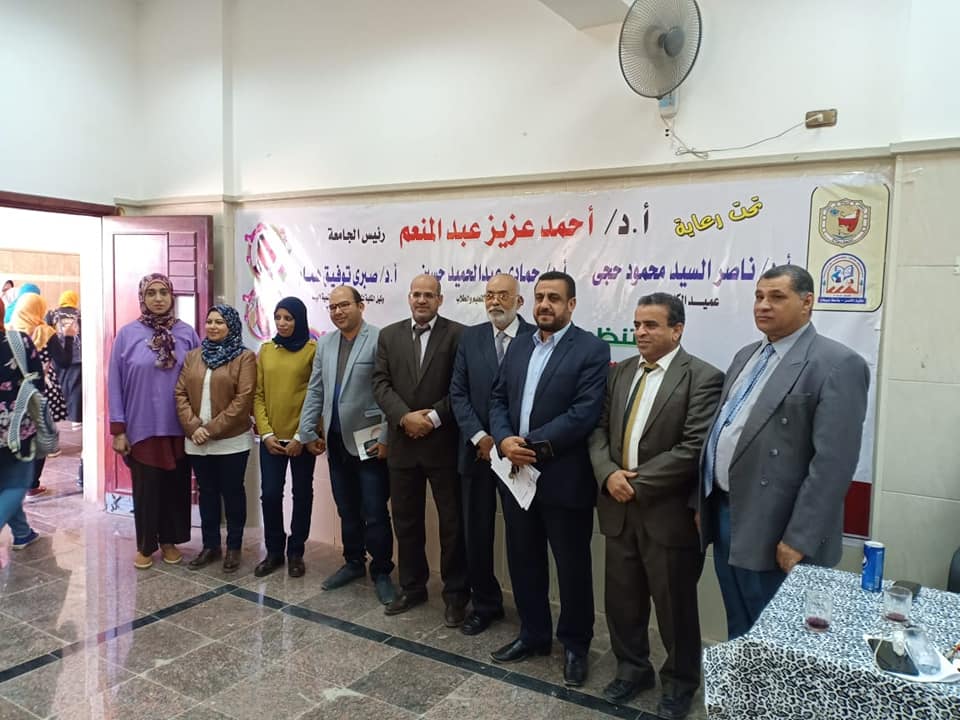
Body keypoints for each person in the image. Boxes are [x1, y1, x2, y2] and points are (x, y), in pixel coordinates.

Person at [696, 265, 870, 640]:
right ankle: (743, 680)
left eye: (777, 297)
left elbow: (833, 466)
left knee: (778, 637)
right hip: (726, 513)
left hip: (779, 528)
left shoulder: (837, 363)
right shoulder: (746, 356)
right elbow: (725, 430)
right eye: (759, 296)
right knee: (738, 624)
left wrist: (799, 539)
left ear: (807, 303)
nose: (763, 305)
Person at [588, 293, 722, 719]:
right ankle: (632, 670)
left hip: (667, 515)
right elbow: (598, 431)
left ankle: (680, 683)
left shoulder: (703, 377)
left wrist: (636, 484)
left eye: (651, 325)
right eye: (637, 325)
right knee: (622, 600)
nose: (640, 332)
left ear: (676, 330)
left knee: (674, 608)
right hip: (617, 507)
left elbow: (693, 447)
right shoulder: (621, 372)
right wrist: (608, 474)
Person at [488, 271, 610, 688]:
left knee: (572, 566)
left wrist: (530, 446)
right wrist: (504, 440)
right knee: (523, 559)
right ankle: (533, 634)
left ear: (571, 304)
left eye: (554, 298)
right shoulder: (521, 344)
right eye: (539, 297)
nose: (544, 304)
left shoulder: (592, 349)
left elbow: (584, 413)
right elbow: (498, 398)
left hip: (563, 478)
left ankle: (575, 645)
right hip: (516, 475)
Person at [372, 274, 468, 625]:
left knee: (452, 524)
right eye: (417, 294)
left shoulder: (459, 335)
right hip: (403, 445)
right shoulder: (389, 335)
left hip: (443, 445)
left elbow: (462, 387)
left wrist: (432, 418)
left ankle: (456, 595)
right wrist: (404, 417)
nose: (422, 300)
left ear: (440, 300)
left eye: (429, 295)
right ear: (409, 298)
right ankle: (413, 587)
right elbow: (380, 383)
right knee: (406, 521)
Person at [297, 286, 397, 605]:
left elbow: (389, 390)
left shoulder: (379, 339)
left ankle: (381, 570)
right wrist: (306, 430)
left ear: (360, 306)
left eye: (344, 305)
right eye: (332, 307)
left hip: (370, 441)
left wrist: (386, 436)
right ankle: (354, 561)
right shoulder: (325, 343)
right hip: (336, 440)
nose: (338, 312)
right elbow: (316, 390)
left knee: (375, 510)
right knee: (347, 507)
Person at [449, 273, 534, 635]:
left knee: (522, 539)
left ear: (519, 301)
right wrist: (481, 437)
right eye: (489, 295)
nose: (495, 301)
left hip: (519, 456)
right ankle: (485, 604)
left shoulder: (536, 338)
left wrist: (509, 442)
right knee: (477, 533)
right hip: (477, 454)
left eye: (503, 295)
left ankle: (531, 616)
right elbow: (458, 393)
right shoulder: (471, 338)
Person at [108, 273, 200, 569]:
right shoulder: (126, 335)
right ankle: (145, 545)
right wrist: (118, 429)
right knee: (147, 490)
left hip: (179, 427)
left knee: (175, 488)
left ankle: (170, 541)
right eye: (151, 293)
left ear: (172, 296)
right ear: (142, 298)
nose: (158, 298)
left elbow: (200, 378)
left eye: (163, 292)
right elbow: (115, 383)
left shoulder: (187, 333)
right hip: (142, 427)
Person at [175, 304, 256, 573]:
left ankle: (233, 547)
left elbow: (243, 401)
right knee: (206, 493)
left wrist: (208, 430)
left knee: (232, 493)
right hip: (197, 440)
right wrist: (193, 427)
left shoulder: (244, 357)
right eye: (209, 321)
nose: (213, 326)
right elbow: (180, 393)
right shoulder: (193, 356)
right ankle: (210, 546)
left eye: (219, 322)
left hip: (231, 440)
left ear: (231, 326)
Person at [253, 297, 317, 578]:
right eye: (278, 317)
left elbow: (316, 396)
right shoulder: (266, 350)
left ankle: (296, 552)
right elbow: (258, 395)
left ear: (299, 320)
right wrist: (266, 433)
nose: (282, 323)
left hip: (301, 439)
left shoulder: (312, 350)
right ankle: (274, 551)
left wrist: (302, 436)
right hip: (271, 439)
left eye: (288, 318)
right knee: (269, 494)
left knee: (301, 494)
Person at [11, 293, 74, 497]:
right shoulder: (45, 332)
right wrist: (69, 337)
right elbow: (64, 361)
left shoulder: (10, 330)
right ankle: (32, 485)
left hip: (14, 392)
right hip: (41, 389)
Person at [0, 298, 42, 551]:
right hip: (17, 427)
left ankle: (23, 533)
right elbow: (37, 382)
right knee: (18, 482)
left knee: (4, 483)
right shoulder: (19, 341)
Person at [46, 290, 83, 424]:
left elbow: (47, 334)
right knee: (75, 390)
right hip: (77, 358)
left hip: (58, 356)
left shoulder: (52, 314)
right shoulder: (80, 315)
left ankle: (60, 417)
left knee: (58, 387)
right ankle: (74, 419)